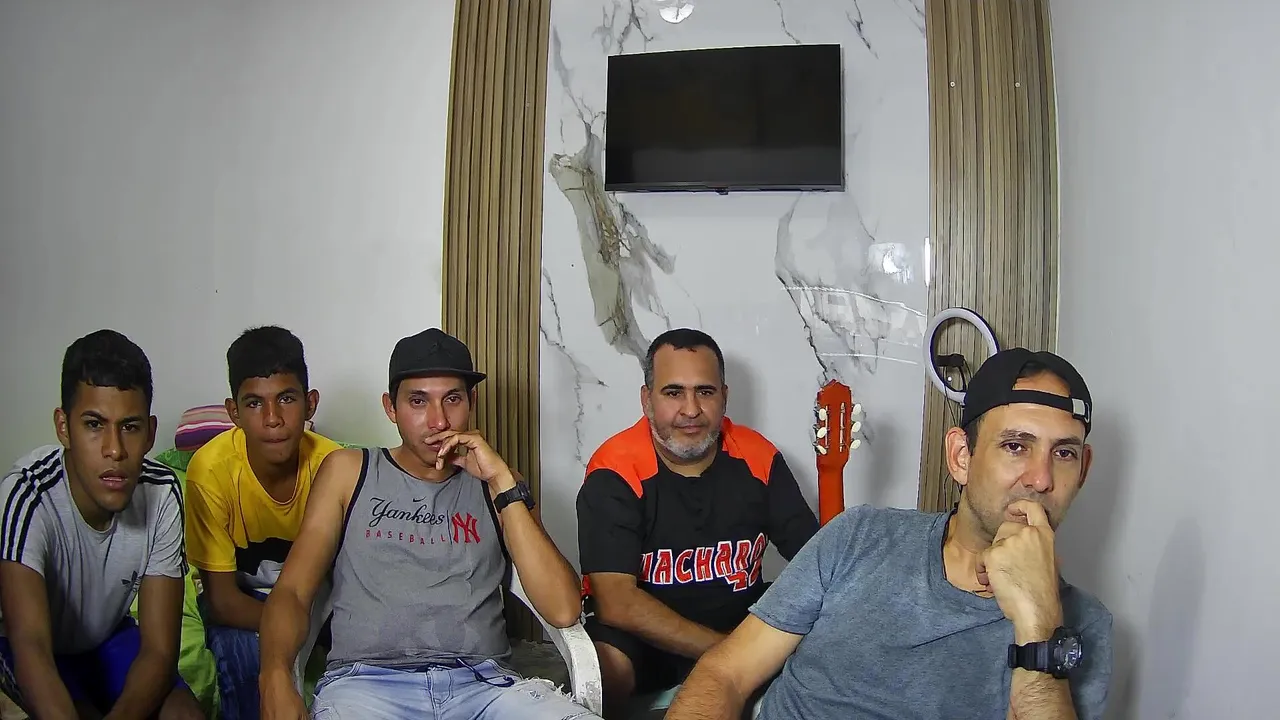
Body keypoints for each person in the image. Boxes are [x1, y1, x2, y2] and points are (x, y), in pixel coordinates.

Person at [665, 348, 1115, 720]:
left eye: (1064, 454)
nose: (1040, 479)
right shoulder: (859, 536)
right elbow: (726, 673)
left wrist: (1038, 627)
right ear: (961, 457)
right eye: (1015, 446)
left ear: (1083, 471)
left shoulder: (1081, 629)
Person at [258, 328, 602, 720]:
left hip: (485, 689)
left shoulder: (499, 485)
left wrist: (502, 482)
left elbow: (563, 610)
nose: (438, 421)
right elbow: (293, 591)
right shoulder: (348, 472)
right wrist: (274, 675)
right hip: (367, 689)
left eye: (452, 399)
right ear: (391, 407)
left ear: (471, 402)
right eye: (418, 401)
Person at [577, 328, 819, 715]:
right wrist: (731, 655)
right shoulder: (615, 468)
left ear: (724, 396)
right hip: (645, 638)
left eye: (705, 392)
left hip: (740, 622)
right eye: (673, 393)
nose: (691, 410)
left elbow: (816, 561)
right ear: (647, 400)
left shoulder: (758, 455)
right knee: (607, 668)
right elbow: (616, 604)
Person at [0, 330, 203, 719]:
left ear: (151, 432)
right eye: (94, 424)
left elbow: (159, 651)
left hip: (109, 638)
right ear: (64, 427)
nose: (114, 449)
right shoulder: (29, 493)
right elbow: (30, 646)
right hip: (40, 650)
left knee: (185, 714)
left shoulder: (161, 492)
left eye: (130, 426)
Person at [184, 326, 343, 719]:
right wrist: (286, 628)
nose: (273, 419)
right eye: (255, 403)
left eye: (286, 399)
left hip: (315, 599)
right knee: (244, 656)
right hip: (241, 600)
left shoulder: (334, 465)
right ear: (233, 412)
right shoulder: (210, 470)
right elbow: (222, 602)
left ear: (310, 404)